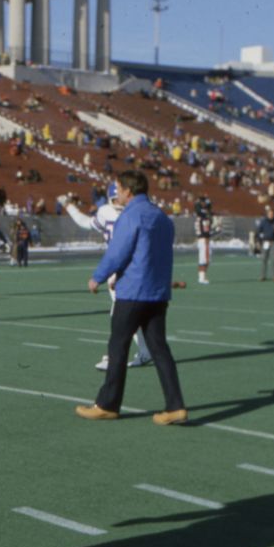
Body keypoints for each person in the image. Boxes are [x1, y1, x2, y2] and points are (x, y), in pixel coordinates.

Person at [75, 169, 188, 426]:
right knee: (160, 350)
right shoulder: (161, 216)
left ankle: (107, 404)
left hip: (133, 291)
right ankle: (175, 405)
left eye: (117, 188)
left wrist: (98, 276)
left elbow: (119, 251)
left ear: (128, 190)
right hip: (157, 293)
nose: (116, 193)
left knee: (118, 346)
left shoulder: (130, 216)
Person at [59, 187, 151, 370]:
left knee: (121, 315)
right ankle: (145, 351)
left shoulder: (111, 212)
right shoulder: (135, 211)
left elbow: (86, 222)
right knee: (132, 314)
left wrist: (69, 206)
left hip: (123, 269)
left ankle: (114, 356)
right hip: (133, 268)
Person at [256, 205, 274, 282]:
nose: (271, 215)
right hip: (265, 243)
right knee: (264, 259)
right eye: (269, 214)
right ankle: (262, 276)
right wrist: (258, 242)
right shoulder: (263, 222)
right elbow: (258, 232)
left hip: (273, 243)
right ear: (267, 214)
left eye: (272, 214)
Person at [194, 194, 214, 285]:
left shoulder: (200, 217)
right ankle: (202, 278)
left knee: (204, 259)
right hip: (204, 239)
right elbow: (206, 210)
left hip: (202, 239)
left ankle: (201, 277)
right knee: (205, 259)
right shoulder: (203, 218)